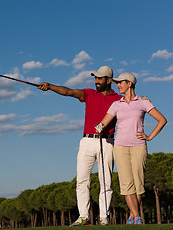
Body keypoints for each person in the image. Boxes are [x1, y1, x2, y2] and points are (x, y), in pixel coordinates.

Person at [38, 66, 122, 226]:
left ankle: (104, 217)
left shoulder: (118, 99)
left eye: (100, 78)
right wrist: (50, 86)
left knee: (106, 182)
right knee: (82, 180)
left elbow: (132, 106)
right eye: (95, 78)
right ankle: (84, 216)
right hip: (87, 142)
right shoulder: (89, 94)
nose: (96, 81)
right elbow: (68, 92)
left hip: (107, 142)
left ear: (109, 80)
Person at [95, 72, 167, 225]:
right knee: (126, 183)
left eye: (120, 82)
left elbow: (162, 120)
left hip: (139, 147)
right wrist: (98, 127)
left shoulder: (143, 102)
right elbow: (104, 122)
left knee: (138, 183)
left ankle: (133, 216)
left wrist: (149, 136)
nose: (117, 85)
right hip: (120, 147)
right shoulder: (116, 104)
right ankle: (135, 216)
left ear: (129, 83)